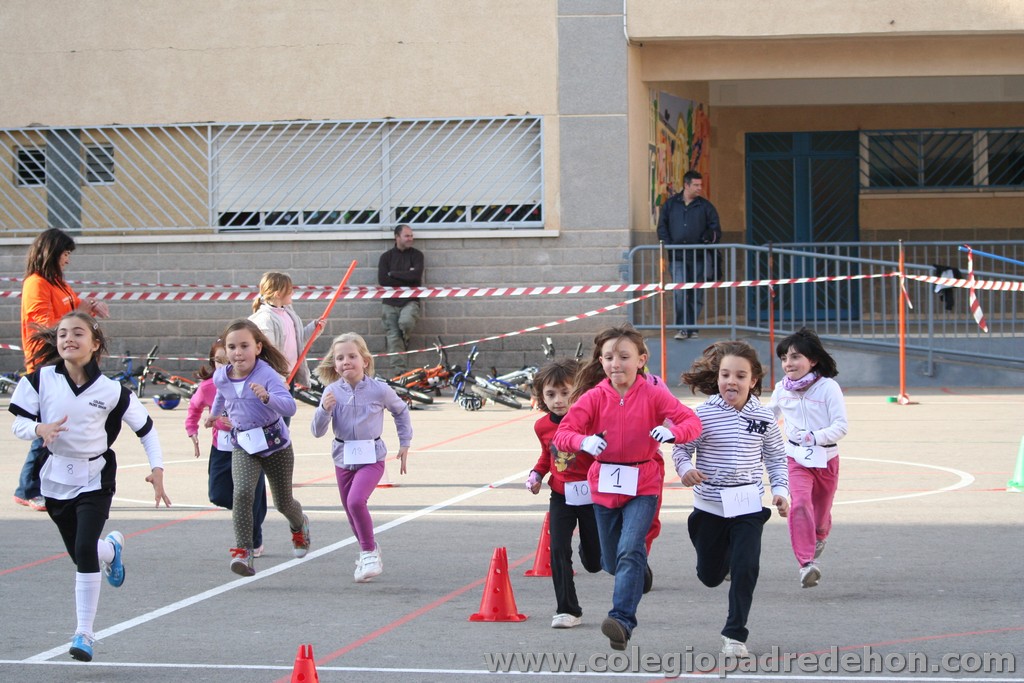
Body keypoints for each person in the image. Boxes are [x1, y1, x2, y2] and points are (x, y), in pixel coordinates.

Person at [8, 311, 169, 662]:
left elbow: (146, 429)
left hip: (95, 478)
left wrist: (157, 469)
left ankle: (84, 633)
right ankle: (110, 550)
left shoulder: (111, 390)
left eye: (77, 333)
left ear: (95, 344)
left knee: (83, 551)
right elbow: (18, 423)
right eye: (62, 333)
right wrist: (39, 429)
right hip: (53, 479)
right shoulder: (40, 380)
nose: (68, 338)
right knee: (84, 553)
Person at [553, 325, 701, 651]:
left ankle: (621, 620)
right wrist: (583, 440)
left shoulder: (654, 393)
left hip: (643, 483)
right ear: (601, 361)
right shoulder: (592, 397)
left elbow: (691, 421)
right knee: (611, 561)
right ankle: (636, 574)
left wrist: (675, 433)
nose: (615, 363)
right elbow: (563, 436)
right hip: (604, 484)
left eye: (623, 357)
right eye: (608, 357)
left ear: (641, 360)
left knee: (630, 548)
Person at [673, 340, 789, 658]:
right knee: (709, 576)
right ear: (718, 377)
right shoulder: (704, 415)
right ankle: (720, 564)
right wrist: (686, 470)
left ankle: (735, 634)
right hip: (709, 506)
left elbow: (778, 459)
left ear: (753, 381)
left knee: (747, 566)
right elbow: (682, 448)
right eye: (725, 375)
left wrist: (781, 492)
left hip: (749, 505)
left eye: (740, 376)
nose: (731, 382)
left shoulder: (764, 418)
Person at [15, 228, 110, 512]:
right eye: (65, 254)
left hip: (64, 360)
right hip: (46, 359)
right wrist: (79, 308)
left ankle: (38, 485)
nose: (67, 260)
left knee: (60, 422)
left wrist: (89, 308)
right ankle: (28, 488)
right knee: (50, 424)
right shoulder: (37, 284)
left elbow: (70, 317)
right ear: (52, 253)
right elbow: (44, 325)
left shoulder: (58, 284)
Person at [205, 319, 310, 577]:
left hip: (275, 445)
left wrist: (267, 397)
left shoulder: (267, 375)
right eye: (232, 347)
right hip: (244, 444)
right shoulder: (222, 375)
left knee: (283, 502)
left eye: (244, 346)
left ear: (258, 348)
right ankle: (244, 551)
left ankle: (299, 526)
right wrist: (214, 415)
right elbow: (221, 393)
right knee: (241, 492)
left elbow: (290, 407)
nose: (238, 352)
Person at [311, 332, 411, 582]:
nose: (346, 361)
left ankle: (367, 552)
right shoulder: (331, 392)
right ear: (334, 364)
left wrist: (404, 442)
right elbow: (316, 431)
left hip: (371, 457)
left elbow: (401, 411)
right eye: (340, 358)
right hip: (343, 457)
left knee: (357, 501)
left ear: (365, 360)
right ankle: (370, 550)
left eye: (352, 356)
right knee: (349, 510)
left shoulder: (379, 390)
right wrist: (325, 410)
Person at [767, 328, 848, 589]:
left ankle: (820, 534)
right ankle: (806, 564)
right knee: (800, 504)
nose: (788, 364)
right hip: (795, 458)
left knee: (821, 514)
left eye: (795, 357)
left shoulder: (828, 387)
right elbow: (767, 417)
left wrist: (813, 437)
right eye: (783, 359)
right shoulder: (781, 389)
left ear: (812, 360)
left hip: (826, 458)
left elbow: (841, 426)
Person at [525, 358, 602, 629]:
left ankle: (591, 552)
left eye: (565, 392)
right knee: (557, 550)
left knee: (595, 561)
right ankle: (567, 609)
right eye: (550, 394)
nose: (558, 400)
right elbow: (548, 456)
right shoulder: (542, 426)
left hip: (593, 496)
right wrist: (536, 475)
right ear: (541, 397)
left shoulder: (591, 421)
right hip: (561, 495)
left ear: (579, 391)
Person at [185, 338, 269, 557]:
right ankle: (247, 511)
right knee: (218, 494)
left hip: (250, 447)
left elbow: (269, 411)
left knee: (248, 493)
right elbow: (194, 408)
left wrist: (245, 421)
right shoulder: (208, 387)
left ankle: (254, 539)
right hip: (221, 447)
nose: (223, 365)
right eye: (218, 360)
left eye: (227, 359)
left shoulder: (253, 381)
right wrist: (192, 430)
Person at [656, 170, 721, 340]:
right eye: (696, 185)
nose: (700, 188)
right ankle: (682, 328)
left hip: (698, 257)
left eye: (701, 185)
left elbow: (716, 229)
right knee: (679, 292)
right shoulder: (670, 205)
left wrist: (709, 236)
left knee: (696, 294)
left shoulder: (706, 207)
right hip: (677, 257)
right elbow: (662, 227)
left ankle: (692, 327)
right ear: (686, 185)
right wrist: (669, 245)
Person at [249, 271, 324, 397]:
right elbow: (267, 356)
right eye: (290, 290)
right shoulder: (265, 320)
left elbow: (298, 341)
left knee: (286, 414)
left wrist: (314, 328)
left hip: (288, 377)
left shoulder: (288, 314)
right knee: (276, 416)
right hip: (273, 381)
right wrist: (278, 381)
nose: (293, 293)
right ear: (278, 294)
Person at [377, 224, 424, 375]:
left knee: (406, 323)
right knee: (393, 336)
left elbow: (415, 277)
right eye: (407, 236)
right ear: (397, 237)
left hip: (410, 300)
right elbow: (383, 280)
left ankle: (406, 338)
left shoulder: (417, 255)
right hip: (389, 303)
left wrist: (393, 274)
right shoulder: (386, 257)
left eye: (411, 236)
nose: (411, 239)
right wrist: (405, 275)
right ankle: (400, 373)